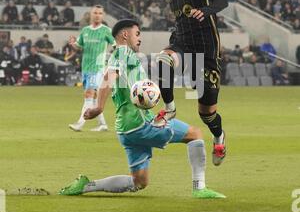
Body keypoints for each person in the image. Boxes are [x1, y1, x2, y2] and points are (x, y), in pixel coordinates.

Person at [59, 19, 225, 199]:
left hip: (126, 129)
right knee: (195, 134)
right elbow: (109, 75)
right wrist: (98, 107)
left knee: (139, 181)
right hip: (142, 123)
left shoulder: (125, 57)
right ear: (125, 35)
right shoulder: (123, 52)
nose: (140, 39)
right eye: (137, 34)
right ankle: (199, 188)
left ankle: (87, 186)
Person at [149, 0, 228, 166]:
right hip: (182, 44)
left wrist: (205, 10)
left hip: (207, 53)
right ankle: (169, 109)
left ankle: (219, 137)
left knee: (207, 113)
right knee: (163, 59)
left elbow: (222, 0)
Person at [68, 5, 115, 132]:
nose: (97, 15)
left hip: (98, 68)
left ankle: (80, 123)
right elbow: (79, 46)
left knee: (89, 94)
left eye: (100, 13)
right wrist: (73, 44)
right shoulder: (85, 30)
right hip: (86, 68)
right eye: (95, 12)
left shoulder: (106, 30)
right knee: (93, 99)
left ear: (103, 15)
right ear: (91, 14)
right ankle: (103, 125)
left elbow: (115, 44)